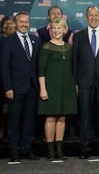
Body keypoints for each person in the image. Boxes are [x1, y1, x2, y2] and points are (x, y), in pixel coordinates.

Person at [73, 6, 99, 159]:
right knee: (84, 116)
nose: (93, 18)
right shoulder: (78, 36)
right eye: (90, 15)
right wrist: (76, 83)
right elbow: (75, 61)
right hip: (84, 81)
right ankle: (85, 149)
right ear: (86, 17)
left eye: (96, 15)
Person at [1, 11, 42, 162]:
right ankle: (14, 151)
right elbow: (4, 66)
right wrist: (7, 88)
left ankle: (27, 149)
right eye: (21, 22)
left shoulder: (35, 41)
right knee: (13, 122)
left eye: (26, 22)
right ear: (16, 23)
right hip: (15, 88)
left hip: (32, 88)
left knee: (28, 121)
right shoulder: (7, 41)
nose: (24, 24)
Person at [37, 19, 77, 160]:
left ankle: (59, 149)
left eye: (59, 28)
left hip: (66, 87)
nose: (56, 30)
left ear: (64, 30)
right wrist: (43, 89)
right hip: (50, 87)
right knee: (50, 118)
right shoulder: (46, 47)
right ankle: (50, 149)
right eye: (53, 28)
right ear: (50, 30)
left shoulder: (69, 47)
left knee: (61, 117)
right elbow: (41, 70)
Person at [0, 17, 16, 142]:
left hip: (15, 83)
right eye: (6, 24)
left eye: (11, 23)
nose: (8, 26)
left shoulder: (19, 41)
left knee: (13, 115)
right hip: (2, 83)